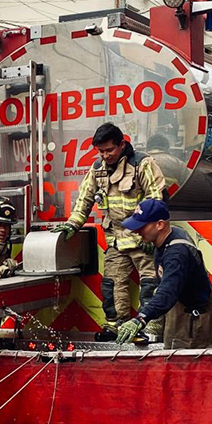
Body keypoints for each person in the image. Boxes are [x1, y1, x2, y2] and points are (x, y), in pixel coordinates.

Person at [52, 123, 166, 341]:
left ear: (122, 145)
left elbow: (156, 198)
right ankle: (116, 327)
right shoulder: (97, 169)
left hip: (143, 239)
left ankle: (151, 330)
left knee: (151, 285)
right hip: (116, 238)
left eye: (109, 150)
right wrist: (72, 225)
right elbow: (83, 200)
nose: (105, 155)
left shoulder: (142, 164)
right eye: (101, 151)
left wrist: (152, 234)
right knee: (111, 286)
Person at [113, 199, 212, 349]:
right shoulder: (166, 237)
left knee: (187, 370)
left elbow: (168, 291)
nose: (136, 231)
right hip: (181, 313)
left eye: (142, 226)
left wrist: (141, 319)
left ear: (160, 225)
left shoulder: (176, 254)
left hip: (194, 324)